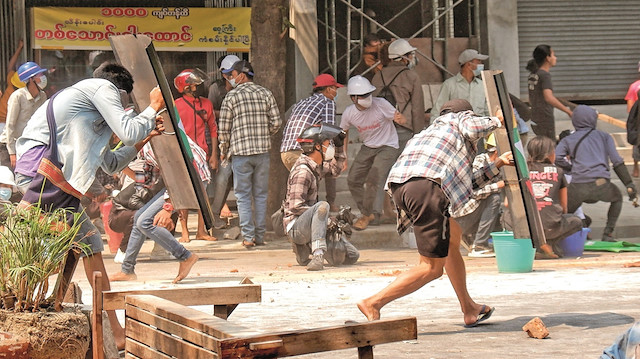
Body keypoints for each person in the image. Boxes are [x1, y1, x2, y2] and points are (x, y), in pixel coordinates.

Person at [15, 62, 165, 350]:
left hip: (47, 173)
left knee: (82, 243)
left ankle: (66, 309)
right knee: (82, 243)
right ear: (120, 93)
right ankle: (112, 329)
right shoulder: (103, 88)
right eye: (125, 103)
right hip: (41, 171)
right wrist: (152, 108)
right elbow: (128, 130)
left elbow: (109, 163)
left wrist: (146, 135)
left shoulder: (87, 115)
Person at [357, 99, 512, 326]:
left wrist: (496, 163)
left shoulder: (428, 134)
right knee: (431, 268)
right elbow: (471, 127)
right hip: (426, 188)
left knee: (452, 241)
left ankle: (468, 308)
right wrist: (499, 120)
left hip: (404, 187)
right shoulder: (458, 120)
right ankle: (374, 302)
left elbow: (465, 181)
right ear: (465, 113)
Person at [109, 143, 203, 283]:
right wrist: (123, 168)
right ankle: (127, 270)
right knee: (139, 218)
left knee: (144, 221)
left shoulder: (157, 143)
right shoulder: (145, 146)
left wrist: (168, 207)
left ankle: (185, 256)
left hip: (191, 179)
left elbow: (179, 174)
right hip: (175, 180)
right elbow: (149, 179)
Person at [218, 60, 281, 247]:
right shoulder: (265, 93)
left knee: (243, 196)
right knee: (260, 195)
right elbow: (276, 122)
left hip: (240, 154)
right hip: (262, 153)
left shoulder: (231, 97)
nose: (231, 79)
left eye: (232, 75)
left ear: (242, 75)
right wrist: (264, 134)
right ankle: (260, 237)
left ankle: (248, 237)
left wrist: (223, 149)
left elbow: (224, 129)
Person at [555, 105, 637, 242]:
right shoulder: (604, 137)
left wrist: (570, 168)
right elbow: (617, 161)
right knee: (617, 198)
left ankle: (560, 238)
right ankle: (608, 233)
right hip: (601, 184)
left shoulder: (568, 139)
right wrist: (629, 183)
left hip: (577, 185)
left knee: (565, 212)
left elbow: (557, 157)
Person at [283, 123, 358, 270]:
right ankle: (317, 255)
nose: (329, 146)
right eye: (327, 144)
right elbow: (296, 206)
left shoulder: (315, 167)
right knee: (323, 206)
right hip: (296, 227)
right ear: (317, 147)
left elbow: (335, 170)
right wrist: (327, 219)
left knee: (351, 256)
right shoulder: (303, 171)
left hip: (310, 223)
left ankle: (305, 249)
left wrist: (339, 146)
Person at [341, 75, 403, 231]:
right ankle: (368, 212)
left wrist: (401, 119)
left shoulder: (381, 104)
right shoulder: (349, 113)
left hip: (388, 145)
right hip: (368, 146)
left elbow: (400, 118)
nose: (367, 98)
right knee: (353, 179)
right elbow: (344, 132)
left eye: (368, 94)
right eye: (362, 95)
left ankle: (372, 213)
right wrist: (343, 155)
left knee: (374, 179)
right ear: (353, 98)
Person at [280, 73, 342, 212]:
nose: (336, 92)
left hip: (286, 151)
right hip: (303, 151)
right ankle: (327, 207)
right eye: (334, 88)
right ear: (328, 90)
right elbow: (329, 131)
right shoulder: (328, 102)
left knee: (301, 190)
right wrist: (336, 156)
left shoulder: (301, 102)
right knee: (310, 193)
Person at [173, 69, 217, 242]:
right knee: (183, 194)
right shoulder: (175, 104)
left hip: (203, 155)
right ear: (185, 86)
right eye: (192, 84)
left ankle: (201, 231)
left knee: (203, 195)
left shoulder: (206, 104)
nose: (196, 87)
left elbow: (213, 129)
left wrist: (214, 154)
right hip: (183, 154)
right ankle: (184, 231)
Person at [527, 136, 583, 256]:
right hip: (550, 227)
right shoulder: (558, 171)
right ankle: (548, 243)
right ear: (549, 154)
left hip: (526, 227)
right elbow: (563, 207)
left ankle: (538, 245)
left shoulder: (522, 171)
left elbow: (507, 203)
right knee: (577, 221)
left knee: (505, 217)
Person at [454, 133, 504, 258]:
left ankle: (476, 240)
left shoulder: (500, 167)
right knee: (494, 199)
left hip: (472, 215)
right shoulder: (480, 162)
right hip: (461, 217)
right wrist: (497, 186)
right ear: (497, 152)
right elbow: (472, 192)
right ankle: (479, 245)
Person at [371, 38, 425, 150]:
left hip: (381, 131)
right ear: (403, 56)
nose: (411, 57)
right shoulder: (411, 76)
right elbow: (417, 109)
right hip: (404, 129)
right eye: (410, 54)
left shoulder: (377, 76)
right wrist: (418, 135)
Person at [208, 55, 240, 229]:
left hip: (241, 140)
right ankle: (213, 214)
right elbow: (210, 112)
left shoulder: (244, 89)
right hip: (222, 140)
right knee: (222, 178)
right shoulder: (216, 89)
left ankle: (218, 212)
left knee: (232, 180)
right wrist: (227, 113)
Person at [0, 61, 48, 169]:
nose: (43, 77)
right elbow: (10, 125)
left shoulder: (43, 96)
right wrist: (12, 153)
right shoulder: (17, 96)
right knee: (8, 181)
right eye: (39, 75)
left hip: (28, 145)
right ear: (31, 79)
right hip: (9, 146)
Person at [526, 44, 573, 140]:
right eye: (553, 55)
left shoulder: (533, 74)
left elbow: (531, 98)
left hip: (535, 116)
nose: (555, 58)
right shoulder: (545, 75)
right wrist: (568, 111)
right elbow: (548, 97)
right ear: (548, 58)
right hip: (545, 118)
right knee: (549, 147)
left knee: (541, 146)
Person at [431, 49, 489, 117]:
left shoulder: (482, 85)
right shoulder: (449, 85)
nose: (481, 65)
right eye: (478, 62)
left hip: (479, 125)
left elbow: (488, 111)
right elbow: (438, 110)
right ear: (468, 65)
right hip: (457, 125)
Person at [0, 40, 25, 131]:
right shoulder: (23, 96)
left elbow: (10, 66)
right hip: (6, 124)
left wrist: (19, 48)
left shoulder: (11, 82)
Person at [624, 62, 640, 177]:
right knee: (636, 146)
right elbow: (630, 107)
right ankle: (636, 167)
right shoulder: (635, 86)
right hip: (638, 122)